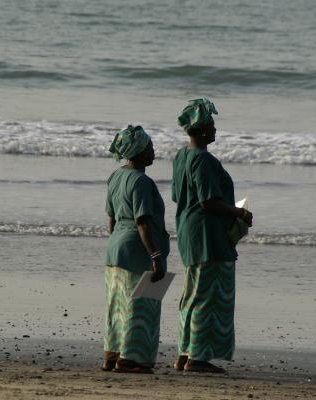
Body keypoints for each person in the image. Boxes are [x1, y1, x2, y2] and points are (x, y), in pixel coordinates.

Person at [171, 98, 253, 373]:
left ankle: (185, 353)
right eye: (212, 125)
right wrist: (239, 214)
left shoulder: (182, 156)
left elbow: (177, 195)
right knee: (209, 295)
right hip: (208, 235)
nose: (215, 129)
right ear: (202, 130)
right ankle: (198, 358)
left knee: (193, 294)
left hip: (189, 231)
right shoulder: (204, 160)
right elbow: (208, 202)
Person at [102, 125, 170, 374]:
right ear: (139, 152)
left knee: (117, 305)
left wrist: (117, 242)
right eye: (150, 147)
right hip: (136, 249)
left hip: (115, 248)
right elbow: (143, 222)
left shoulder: (115, 176)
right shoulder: (141, 181)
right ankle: (131, 359)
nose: (153, 151)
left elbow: (111, 218)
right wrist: (156, 255)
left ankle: (112, 354)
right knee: (139, 306)